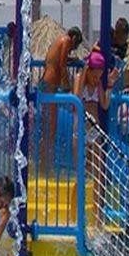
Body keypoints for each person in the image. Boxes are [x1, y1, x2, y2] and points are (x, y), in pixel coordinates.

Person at [36, 27, 82, 172]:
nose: (71, 49)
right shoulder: (67, 40)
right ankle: (45, 166)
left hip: (46, 82)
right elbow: (62, 65)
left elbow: (57, 59)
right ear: (74, 38)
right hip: (51, 84)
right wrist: (67, 84)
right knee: (51, 128)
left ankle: (44, 164)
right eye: (74, 47)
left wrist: (71, 59)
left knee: (47, 126)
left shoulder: (58, 41)